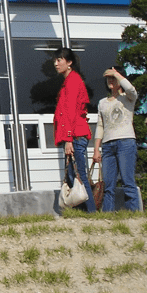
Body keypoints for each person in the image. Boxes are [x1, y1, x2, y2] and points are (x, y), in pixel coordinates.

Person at [53, 47, 96, 213]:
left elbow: (70, 111)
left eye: (59, 60)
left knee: (80, 176)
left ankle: (91, 213)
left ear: (69, 62)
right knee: (73, 175)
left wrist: (69, 138)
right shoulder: (68, 81)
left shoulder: (73, 81)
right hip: (73, 134)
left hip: (76, 134)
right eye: (55, 60)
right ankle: (84, 212)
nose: (56, 64)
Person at [93, 66, 141, 211]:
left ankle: (134, 216)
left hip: (126, 141)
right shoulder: (102, 102)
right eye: (108, 77)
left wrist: (117, 74)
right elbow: (100, 126)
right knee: (108, 185)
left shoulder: (128, 98)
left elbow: (132, 90)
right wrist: (96, 149)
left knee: (128, 182)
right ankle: (108, 215)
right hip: (107, 145)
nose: (110, 80)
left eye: (113, 77)